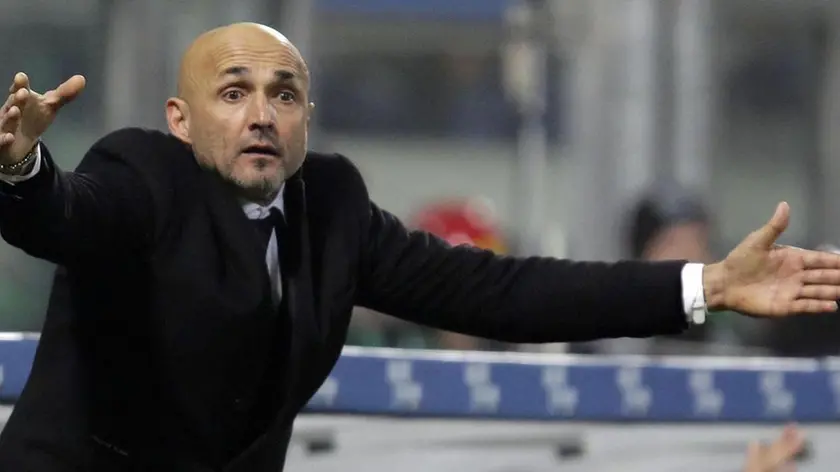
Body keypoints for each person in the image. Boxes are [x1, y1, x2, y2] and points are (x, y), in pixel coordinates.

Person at [0, 22, 838, 472]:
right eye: (233, 92)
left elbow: (501, 293)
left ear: (305, 120)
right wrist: (21, 170)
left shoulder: (332, 206)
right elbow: (65, 215)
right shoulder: (142, 173)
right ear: (181, 121)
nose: (261, 114)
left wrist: (704, 285)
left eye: (283, 95)